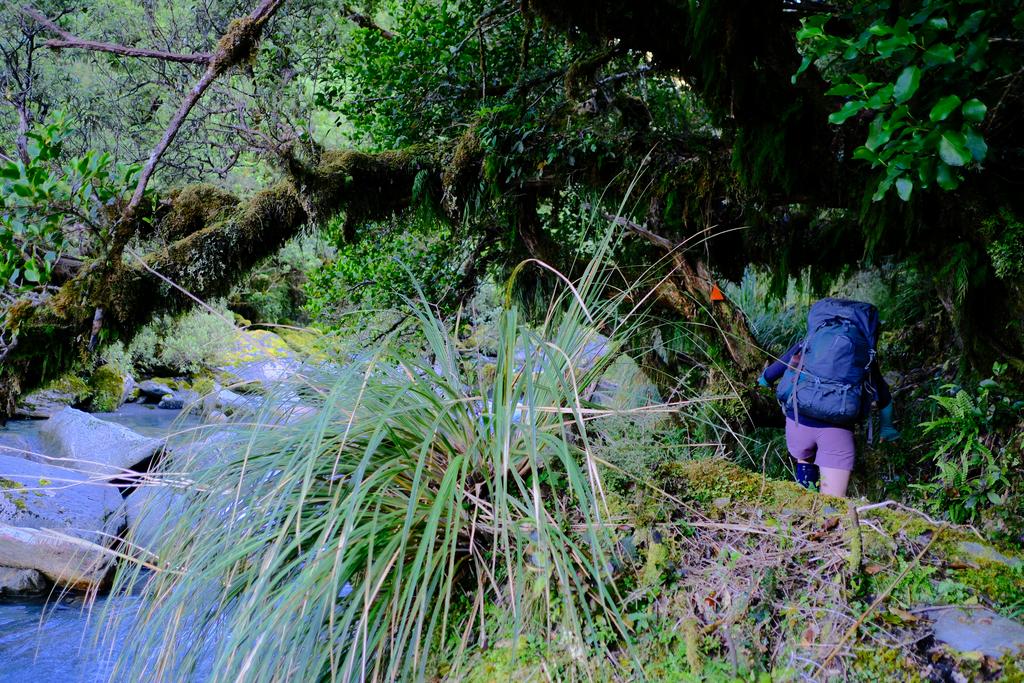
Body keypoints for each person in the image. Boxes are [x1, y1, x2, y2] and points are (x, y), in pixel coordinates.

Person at [757, 322, 900, 498]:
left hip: (799, 422)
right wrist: (887, 428)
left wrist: (762, 382)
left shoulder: (810, 341)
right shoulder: (862, 351)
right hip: (838, 428)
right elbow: (884, 398)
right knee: (832, 502)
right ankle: (826, 519)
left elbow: (771, 373)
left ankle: (806, 502)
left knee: (805, 457)